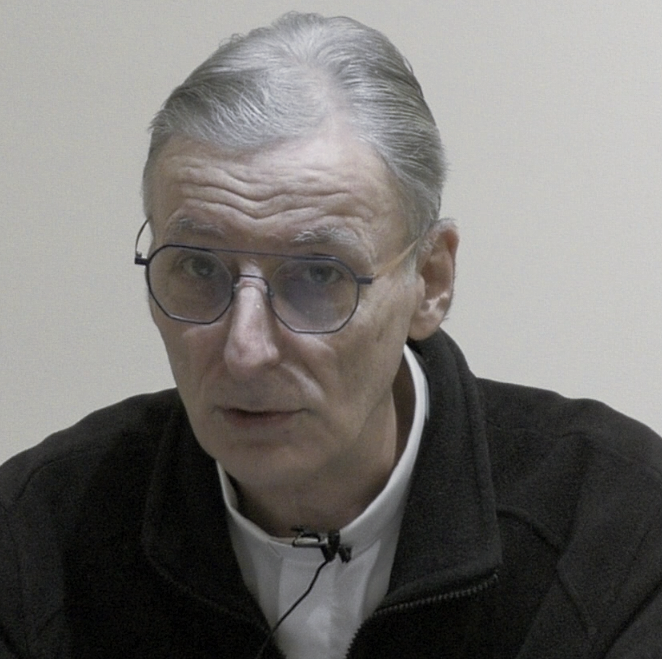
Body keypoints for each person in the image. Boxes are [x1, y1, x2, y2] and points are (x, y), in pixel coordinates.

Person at [1, 11, 661, 659]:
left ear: (430, 281)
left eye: (318, 274)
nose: (245, 350)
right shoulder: (37, 538)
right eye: (199, 267)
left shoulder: (618, 528)